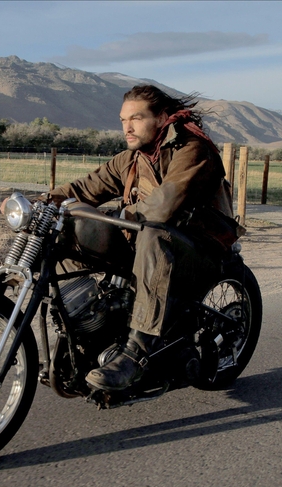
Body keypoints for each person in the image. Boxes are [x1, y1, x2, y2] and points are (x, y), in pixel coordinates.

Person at [35, 85, 236, 391]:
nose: (127, 127)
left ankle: (137, 356)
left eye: (136, 118)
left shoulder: (194, 151)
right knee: (65, 237)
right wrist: (40, 204)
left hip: (200, 251)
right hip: (147, 242)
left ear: (162, 118)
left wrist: (116, 220)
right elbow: (86, 188)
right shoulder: (132, 159)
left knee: (154, 233)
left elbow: (164, 206)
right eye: (122, 120)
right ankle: (88, 336)